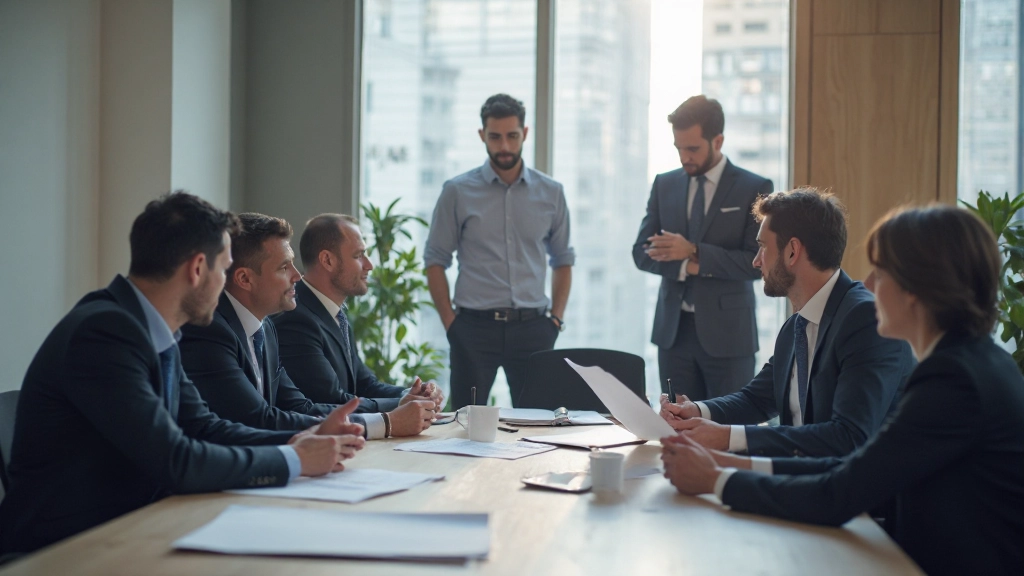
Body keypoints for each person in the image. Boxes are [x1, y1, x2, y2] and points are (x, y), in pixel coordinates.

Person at [662, 205, 1024, 576]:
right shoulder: (976, 362)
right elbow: (850, 468)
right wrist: (723, 460)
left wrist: (715, 479)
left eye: (880, 272)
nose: (868, 284)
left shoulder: (953, 380)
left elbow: (841, 488)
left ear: (917, 288)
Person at [0, 193, 365, 555]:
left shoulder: (154, 328)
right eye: (222, 270)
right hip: (67, 549)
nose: (226, 286)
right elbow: (175, 460)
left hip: (133, 528)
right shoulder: (104, 332)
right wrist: (296, 460)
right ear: (196, 269)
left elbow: (205, 426)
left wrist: (305, 436)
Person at [660, 188, 913, 457]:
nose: (756, 261)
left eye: (762, 247)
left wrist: (727, 437)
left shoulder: (864, 320)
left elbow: (847, 437)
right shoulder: (796, 327)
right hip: (802, 481)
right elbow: (756, 399)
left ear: (792, 251)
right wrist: (695, 411)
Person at [180, 213, 438, 439]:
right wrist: (384, 422)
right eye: (284, 266)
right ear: (245, 279)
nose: (296, 275)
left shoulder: (264, 328)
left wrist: (401, 404)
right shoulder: (210, 331)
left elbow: (300, 407)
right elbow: (259, 419)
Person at [424, 93, 575, 409]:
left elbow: (563, 259)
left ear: (525, 134)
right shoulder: (457, 191)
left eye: (512, 136)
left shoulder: (552, 193)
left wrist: (555, 321)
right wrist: (452, 324)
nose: (504, 146)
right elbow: (435, 260)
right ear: (482, 135)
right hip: (473, 331)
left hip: (535, 330)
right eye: (495, 137)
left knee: (539, 427)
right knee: (467, 427)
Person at [634, 95, 774, 401]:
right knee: (677, 430)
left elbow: (756, 261)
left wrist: (693, 251)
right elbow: (641, 252)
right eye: (679, 148)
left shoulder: (754, 187)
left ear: (718, 140)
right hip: (673, 336)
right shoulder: (664, 184)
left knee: (728, 429)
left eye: (693, 148)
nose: (684, 157)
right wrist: (687, 263)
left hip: (729, 337)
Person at [276, 214, 444, 429]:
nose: (369, 265)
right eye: (359, 255)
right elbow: (330, 400)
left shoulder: (336, 312)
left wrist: (412, 394)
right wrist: (402, 405)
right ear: (327, 260)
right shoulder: (296, 318)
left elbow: (364, 384)